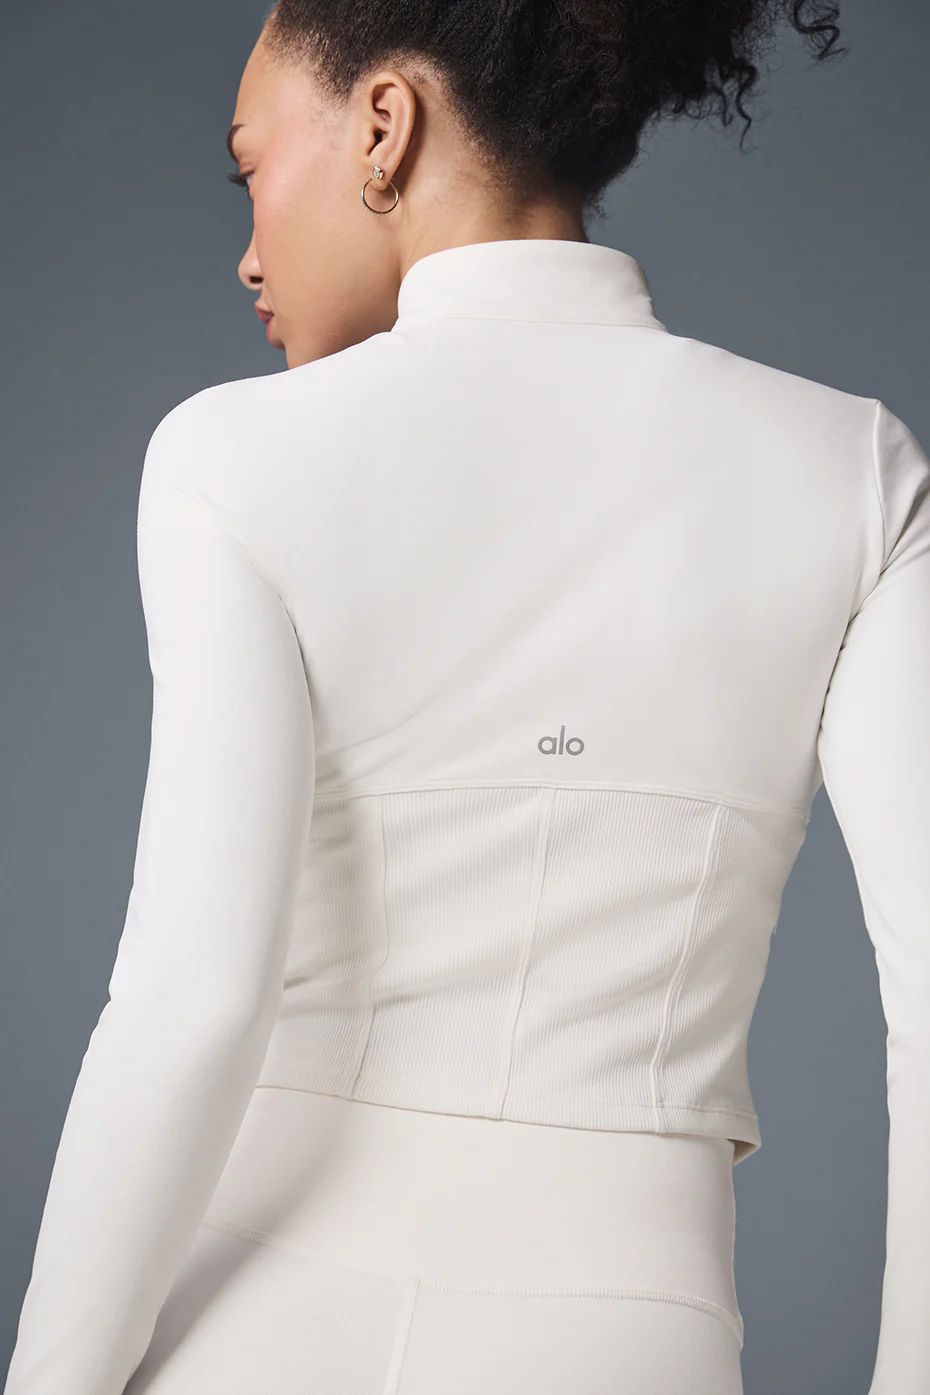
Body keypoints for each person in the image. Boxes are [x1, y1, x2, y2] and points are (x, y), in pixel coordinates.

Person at [5, 2, 928, 1393]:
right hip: (630, 1336)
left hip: (250, 1316)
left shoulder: (228, 459)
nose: (247, 251)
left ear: (385, 127)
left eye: (250, 167)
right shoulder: (852, 471)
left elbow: (193, 1002)